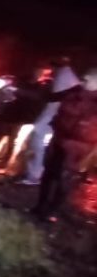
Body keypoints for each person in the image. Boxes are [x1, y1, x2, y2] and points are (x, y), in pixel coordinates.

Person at [33, 66, 97, 219]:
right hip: (59, 138)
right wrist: (42, 84)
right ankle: (40, 207)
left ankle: (52, 211)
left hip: (79, 145)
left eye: (89, 77)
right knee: (48, 174)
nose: (84, 78)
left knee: (64, 178)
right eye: (85, 76)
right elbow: (49, 97)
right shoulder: (74, 91)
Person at [20, 58, 81, 184]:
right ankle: (38, 173)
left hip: (52, 116)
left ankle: (35, 175)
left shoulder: (63, 76)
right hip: (54, 117)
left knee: (38, 141)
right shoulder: (66, 77)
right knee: (40, 143)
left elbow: (55, 98)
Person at [0, 73, 44, 171]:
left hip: (10, 118)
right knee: (7, 142)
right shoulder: (27, 90)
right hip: (13, 118)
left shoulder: (13, 89)